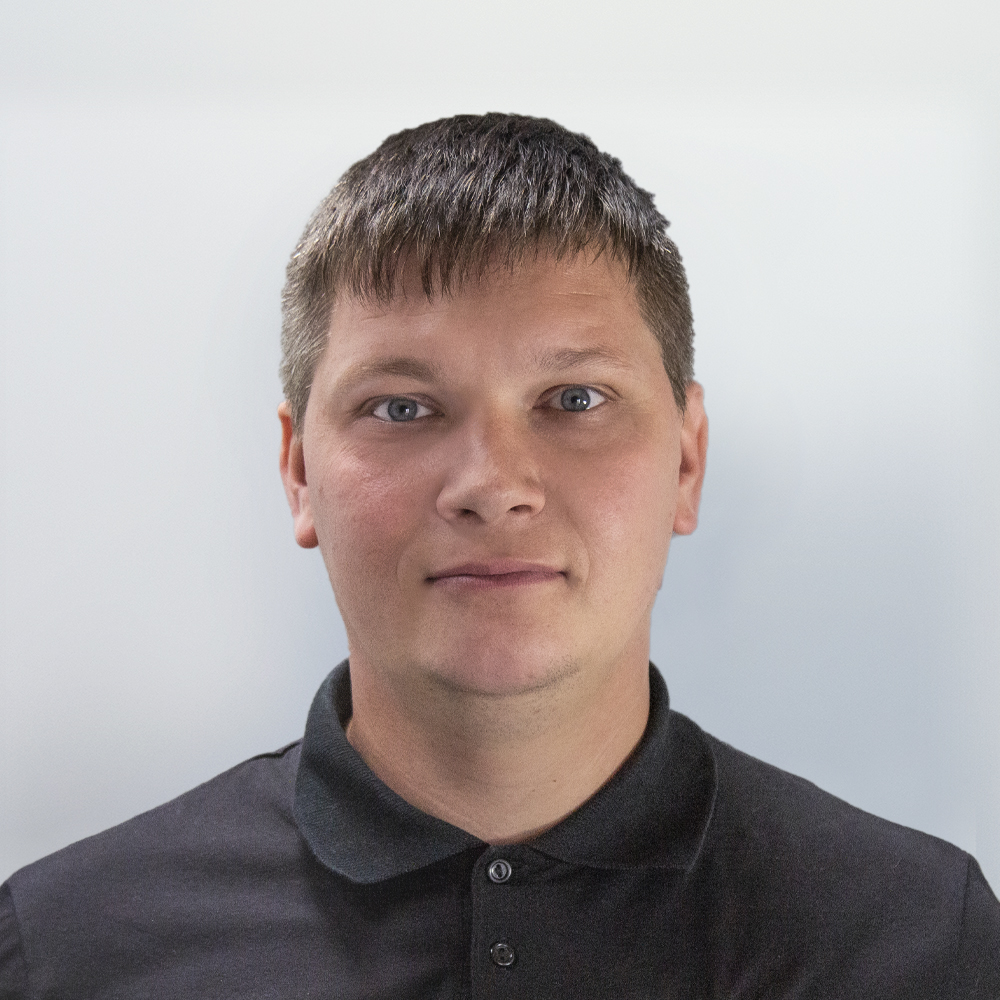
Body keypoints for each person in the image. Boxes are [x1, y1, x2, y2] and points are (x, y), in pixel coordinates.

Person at [1, 113, 997, 999]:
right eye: (402, 408)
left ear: (686, 462)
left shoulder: (918, 939)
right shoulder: (65, 952)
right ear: (299, 470)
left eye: (575, 399)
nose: (492, 483)